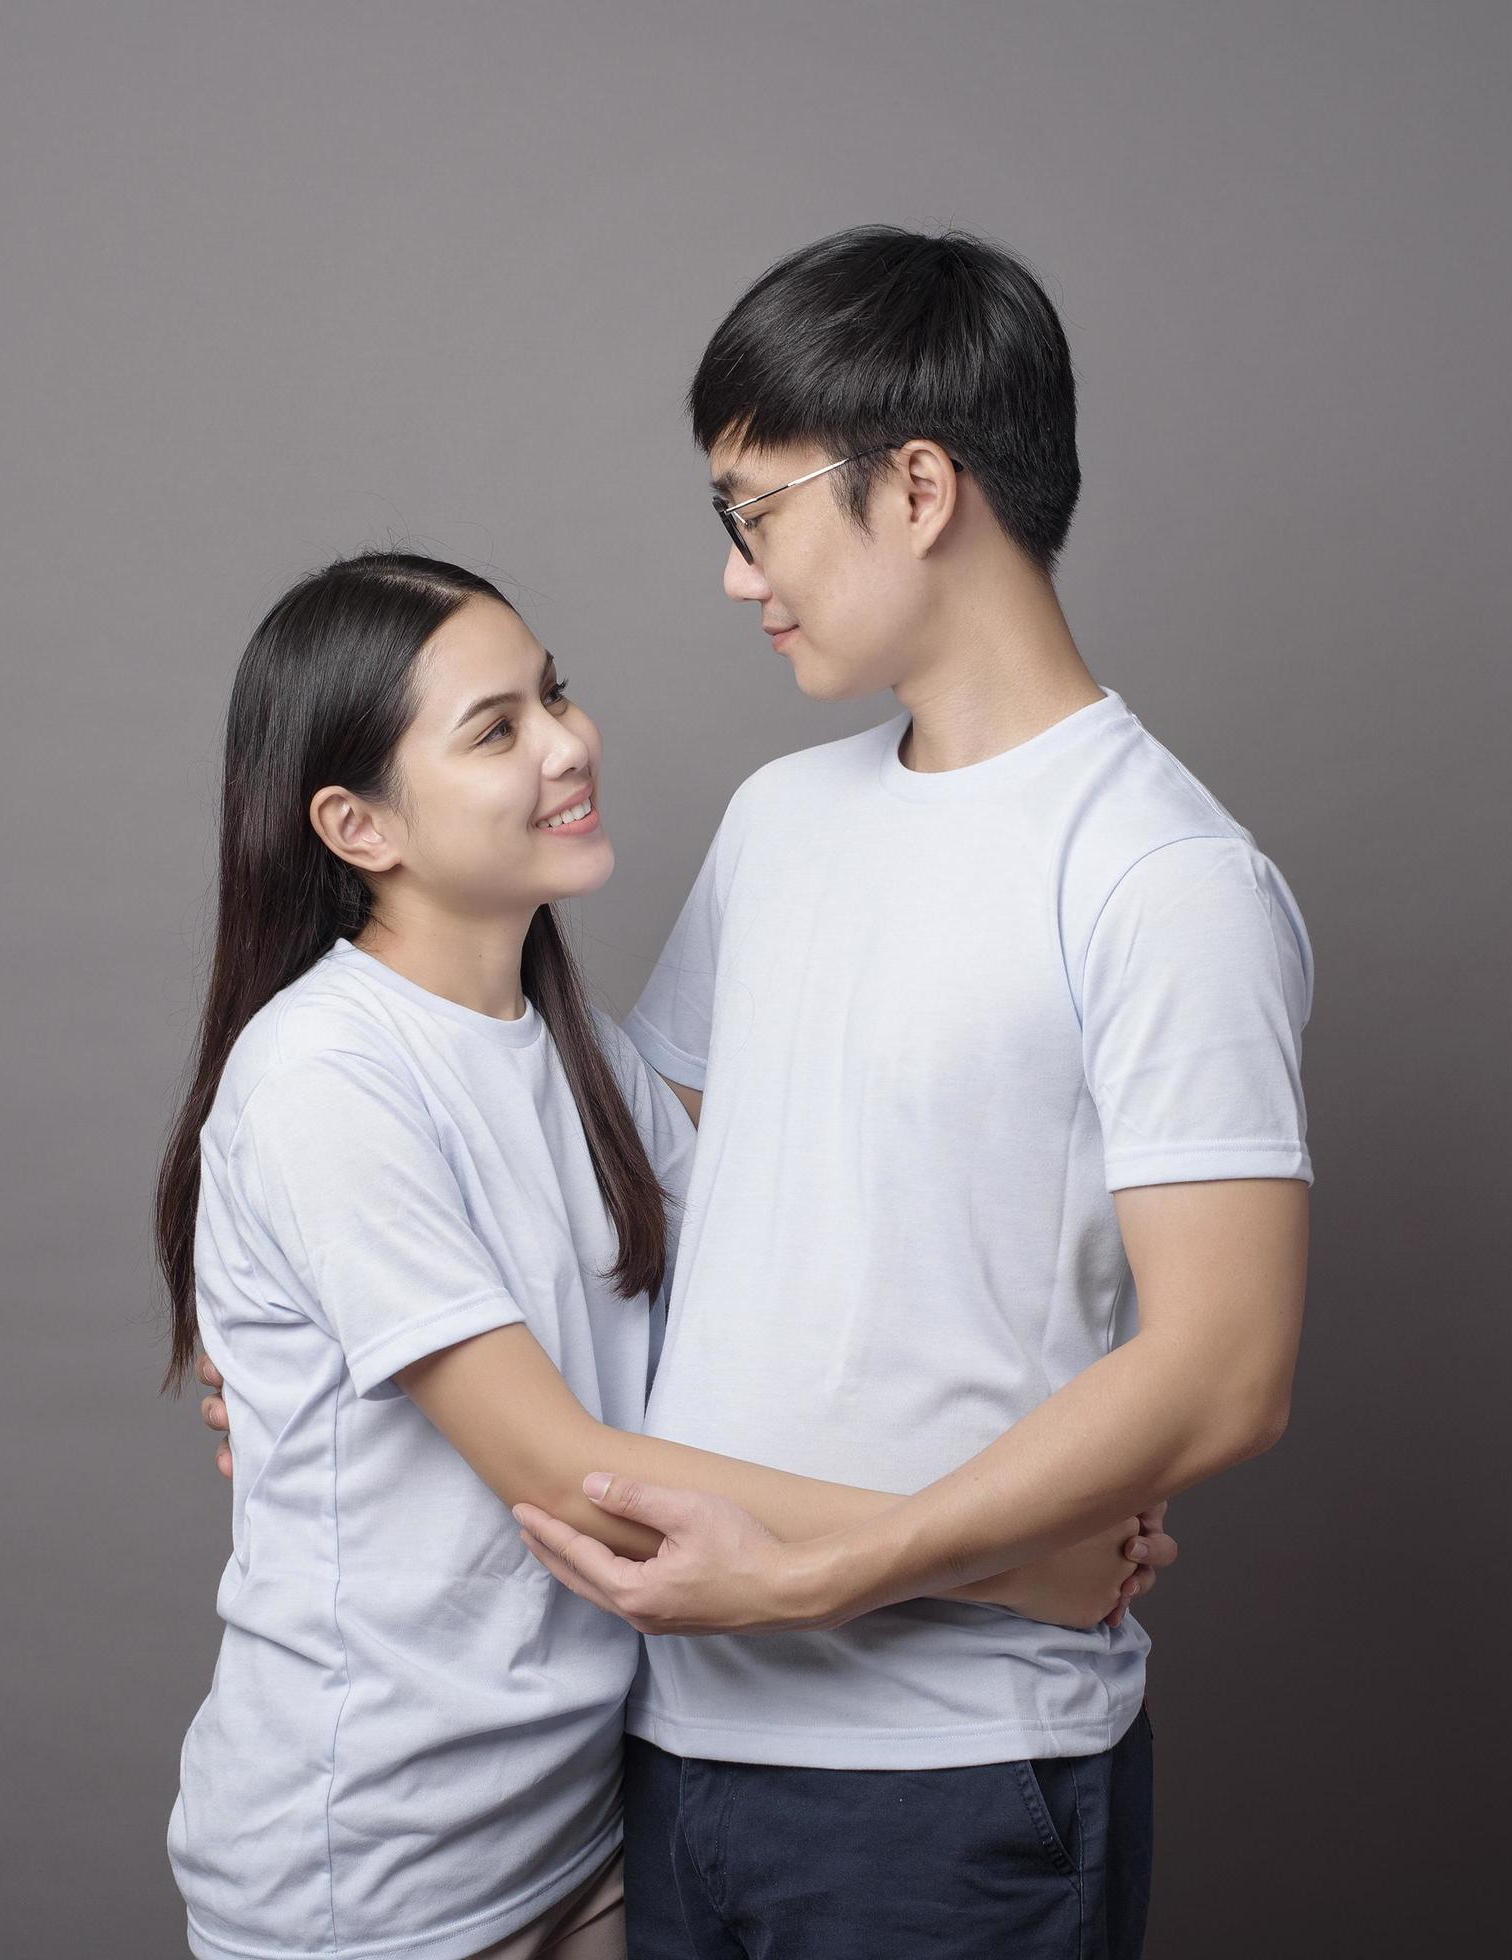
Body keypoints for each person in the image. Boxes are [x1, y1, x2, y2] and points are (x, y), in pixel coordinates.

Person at [155, 550, 1165, 1960]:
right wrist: (1009, 1562)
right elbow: (571, 1476)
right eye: (496, 729)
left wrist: (1051, 1462)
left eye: (554, 694)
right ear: (357, 824)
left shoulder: (587, 1064)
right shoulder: (327, 1076)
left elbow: (772, 1282)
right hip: (375, 1877)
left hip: (583, 1832)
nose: (570, 743)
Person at [501, 226, 1315, 1956]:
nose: (739, 574)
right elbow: (621, 1191)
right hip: (675, 1742)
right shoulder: (780, 821)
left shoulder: (1159, 874)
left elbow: (1227, 1372)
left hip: (957, 1784)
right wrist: (309, 1323)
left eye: (756, 509)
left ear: (921, 485)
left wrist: (811, 1578)